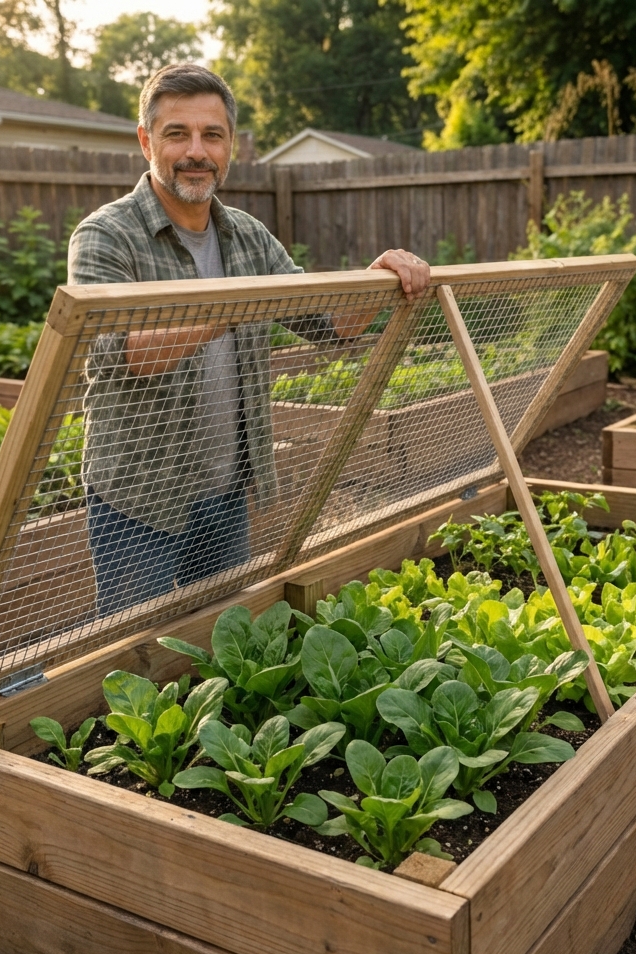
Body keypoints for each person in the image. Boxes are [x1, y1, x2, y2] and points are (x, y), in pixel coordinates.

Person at [67, 63, 430, 616]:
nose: (196, 151)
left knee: (224, 647)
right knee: (133, 664)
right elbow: (125, 352)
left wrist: (381, 277)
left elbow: (329, 324)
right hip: (139, 498)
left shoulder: (247, 234)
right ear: (146, 141)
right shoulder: (105, 236)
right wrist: (236, 308)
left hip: (226, 491)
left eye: (212, 135)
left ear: (230, 145)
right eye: (177, 133)